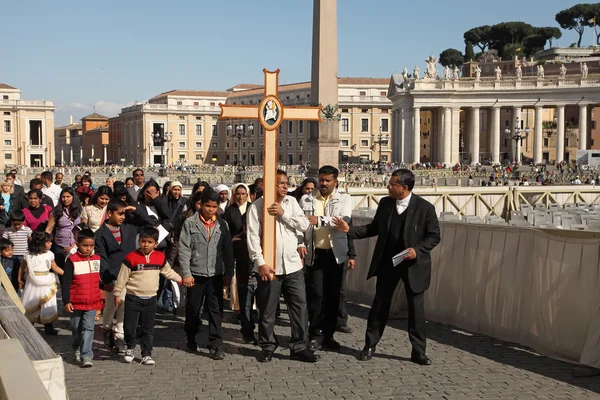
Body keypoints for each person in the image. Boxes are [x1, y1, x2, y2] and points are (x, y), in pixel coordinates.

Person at [333, 169, 440, 365]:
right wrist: (349, 231)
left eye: (392, 184)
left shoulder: (425, 208)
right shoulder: (385, 204)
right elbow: (374, 228)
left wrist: (417, 250)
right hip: (388, 263)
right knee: (380, 305)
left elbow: (434, 236)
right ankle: (370, 345)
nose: (388, 187)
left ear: (404, 188)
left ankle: (418, 351)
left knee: (416, 310)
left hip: (414, 265)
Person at [247, 169, 317, 363]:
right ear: (271, 185)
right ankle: (268, 346)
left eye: (287, 183)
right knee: (268, 310)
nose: (286, 187)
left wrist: (283, 214)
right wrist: (260, 262)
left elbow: (304, 224)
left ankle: (300, 346)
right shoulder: (256, 207)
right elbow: (252, 237)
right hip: (270, 267)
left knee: (299, 308)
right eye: (281, 183)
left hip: (293, 265)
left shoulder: (292, 203)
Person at [299, 166, 352, 351]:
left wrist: (319, 220)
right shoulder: (306, 199)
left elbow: (342, 221)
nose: (323, 183)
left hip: (336, 254)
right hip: (315, 253)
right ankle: (315, 334)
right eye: (321, 179)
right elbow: (300, 224)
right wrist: (299, 244)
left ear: (335, 181)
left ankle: (329, 335)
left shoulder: (344, 198)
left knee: (333, 296)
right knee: (316, 295)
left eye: (327, 180)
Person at [113, 227, 182, 365]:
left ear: (155, 244)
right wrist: (117, 294)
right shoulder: (131, 258)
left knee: (148, 328)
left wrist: (180, 279)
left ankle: (146, 354)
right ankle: (130, 347)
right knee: (130, 327)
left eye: (149, 242)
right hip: (133, 297)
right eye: (143, 241)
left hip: (151, 299)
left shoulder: (160, 257)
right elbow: (122, 278)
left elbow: (167, 272)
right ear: (139, 241)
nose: (145, 244)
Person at [179, 189, 234, 360]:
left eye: (214, 207)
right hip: (196, 273)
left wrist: (229, 272)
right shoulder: (190, 223)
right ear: (201, 205)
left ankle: (215, 343)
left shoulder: (222, 225)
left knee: (215, 309)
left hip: (215, 273)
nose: (211, 210)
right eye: (208, 206)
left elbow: (227, 250)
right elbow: (184, 249)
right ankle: (191, 336)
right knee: (193, 309)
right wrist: (186, 273)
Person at [95, 199, 138, 354]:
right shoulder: (100, 233)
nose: (122, 217)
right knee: (111, 306)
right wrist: (106, 279)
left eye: (124, 214)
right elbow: (101, 257)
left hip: (129, 274)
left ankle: (120, 335)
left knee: (124, 305)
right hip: (112, 275)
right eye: (119, 214)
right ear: (110, 213)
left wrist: (136, 210)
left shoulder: (129, 228)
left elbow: (150, 223)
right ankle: (107, 328)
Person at [61, 228, 101, 367]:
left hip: (91, 302)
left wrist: (99, 302)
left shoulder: (97, 259)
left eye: (91, 245)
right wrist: (67, 301)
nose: (88, 248)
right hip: (76, 302)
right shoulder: (72, 260)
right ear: (77, 244)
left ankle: (87, 355)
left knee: (88, 328)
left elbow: (99, 282)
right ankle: (76, 348)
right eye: (85, 245)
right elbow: (66, 282)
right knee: (76, 327)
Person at [18, 231, 64, 335]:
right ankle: (30, 327)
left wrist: (66, 274)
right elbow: (22, 267)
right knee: (31, 303)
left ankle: (48, 326)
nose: (51, 244)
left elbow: (55, 267)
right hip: (32, 284)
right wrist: (19, 279)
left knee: (47, 305)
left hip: (47, 282)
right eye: (48, 242)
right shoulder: (29, 256)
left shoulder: (50, 254)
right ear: (40, 244)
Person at [223, 184, 251, 333]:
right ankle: (238, 309)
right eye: (238, 194)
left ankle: (251, 308)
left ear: (247, 194)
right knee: (236, 281)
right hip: (235, 249)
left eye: (243, 194)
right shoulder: (230, 210)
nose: (241, 197)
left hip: (250, 249)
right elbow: (226, 230)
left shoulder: (253, 208)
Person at [45, 187, 82, 279]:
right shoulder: (56, 211)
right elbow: (49, 229)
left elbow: (83, 228)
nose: (65, 199)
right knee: (63, 274)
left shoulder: (80, 210)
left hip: (76, 246)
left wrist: (74, 245)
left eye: (68, 196)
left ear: (73, 197)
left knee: (76, 273)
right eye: (63, 197)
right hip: (61, 246)